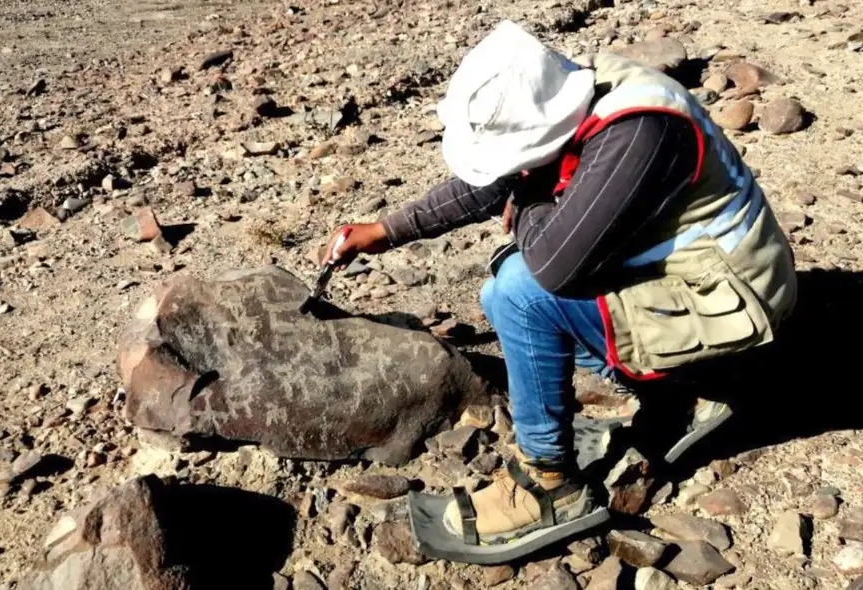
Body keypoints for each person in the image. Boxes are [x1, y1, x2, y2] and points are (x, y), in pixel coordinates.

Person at [319, 20, 797, 548]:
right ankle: (676, 392)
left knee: (521, 292)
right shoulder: (572, 93)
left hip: (731, 296)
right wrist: (387, 231)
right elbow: (502, 183)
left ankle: (550, 483)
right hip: (691, 270)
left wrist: (525, 203)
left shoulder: (637, 132)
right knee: (510, 279)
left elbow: (552, 266)